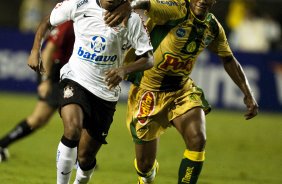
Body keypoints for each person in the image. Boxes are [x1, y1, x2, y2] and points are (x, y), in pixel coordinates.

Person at [104, 0, 259, 183]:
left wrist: (248, 93)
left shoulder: (212, 27)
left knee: (197, 140)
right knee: (145, 164)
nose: (201, 0)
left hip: (181, 91)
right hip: (148, 92)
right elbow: (147, 3)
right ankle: (147, 174)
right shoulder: (175, 8)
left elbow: (228, 59)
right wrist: (128, 5)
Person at [27, 0, 154, 183]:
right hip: (76, 78)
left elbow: (148, 58)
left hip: (105, 91)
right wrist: (35, 49)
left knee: (85, 157)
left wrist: (124, 70)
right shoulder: (80, 4)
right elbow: (48, 21)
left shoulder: (132, 20)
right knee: (72, 130)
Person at [0, 21, 74, 162]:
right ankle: (2, 144)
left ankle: (81, 159)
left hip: (70, 74)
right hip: (56, 74)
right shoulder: (69, 23)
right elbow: (47, 51)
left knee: (77, 116)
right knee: (39, 118)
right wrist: (45, 80)